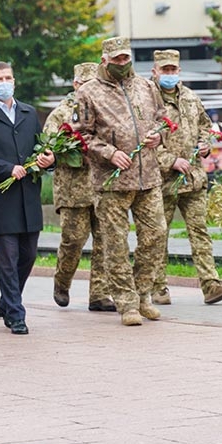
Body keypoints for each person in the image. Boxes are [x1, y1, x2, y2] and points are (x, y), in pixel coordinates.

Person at [72, 36, 168, 327]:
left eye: (126, 58)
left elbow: (164, 119)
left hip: (148, 176)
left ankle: (142, 294)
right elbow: (81, 134)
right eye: (117, 59)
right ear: (105, 60)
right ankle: (126, 303)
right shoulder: (88, 92)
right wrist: (109, 152)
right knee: (115, 243)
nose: (122, 63)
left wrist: (159, 135)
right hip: (111, 182)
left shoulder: (147, 87)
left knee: (157, 234)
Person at [0, 62, 53, 335]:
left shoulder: (28, 113)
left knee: (27, 255)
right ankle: (16, 314)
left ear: (15, 81)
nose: (5, 82)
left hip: (28, 197)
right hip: (0, 198)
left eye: (8, 78)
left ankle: (7, 302)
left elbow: (42, 148)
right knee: (7, 257)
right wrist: (6, 168)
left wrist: (49, 160)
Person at [151, 50, 222, 306]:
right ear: (155, 71)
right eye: (165, 70)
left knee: (200, 232)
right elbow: (141, 138)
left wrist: (205, 144)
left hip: (194, 178)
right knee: (158, 235)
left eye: (173, 70)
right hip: (162, 180)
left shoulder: (190, 96)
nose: (170, 74)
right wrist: (169, 160)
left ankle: (210, 284)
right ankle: (158, 287)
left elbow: (205, 126)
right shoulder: (146, 99)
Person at [43, 62, 115, 312]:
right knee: (73, 240)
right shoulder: (62, 113)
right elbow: (48, 147)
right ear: (75, 85)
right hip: (73, 189)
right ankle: (62, 282)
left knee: (104, 241)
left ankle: (99, 293)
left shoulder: (106, 109)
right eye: (84, 84)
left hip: (103, 186)